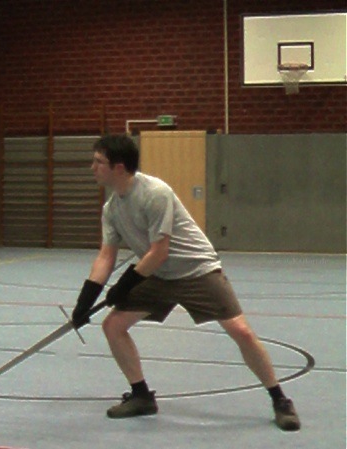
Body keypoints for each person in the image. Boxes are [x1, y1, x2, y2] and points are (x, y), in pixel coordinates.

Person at [71, 134, 300, 431]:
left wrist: (123, 286)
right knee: (113, 325)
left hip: (196, 271)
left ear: (119, 167)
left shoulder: (155, 193)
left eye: (98, 162)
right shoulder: (111, 209)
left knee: (241, 331)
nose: (92, 168)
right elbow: (106, 257)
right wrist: (85, 301)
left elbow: (159, 251)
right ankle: (141, 396)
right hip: (158, 275)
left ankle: (280, 399)